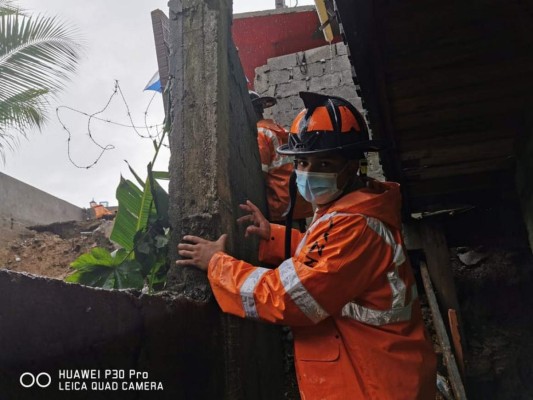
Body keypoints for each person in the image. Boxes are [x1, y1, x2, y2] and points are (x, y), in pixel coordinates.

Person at [176, 92, 437, 399]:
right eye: (302, 162)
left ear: (354, 165)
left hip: (372, 384)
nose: (309, 173)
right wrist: (272, 237)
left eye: (324, 162)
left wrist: (219, 265)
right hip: (373, 370)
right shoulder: (350, 210)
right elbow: (328, 259)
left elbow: (289, 298)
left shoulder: (354, 225)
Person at [249, 91, 313, 228]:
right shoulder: (280, 130)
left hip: (280, 204)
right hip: (297, 202)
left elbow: (260, 174)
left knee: (286, 246)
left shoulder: (260, 133)